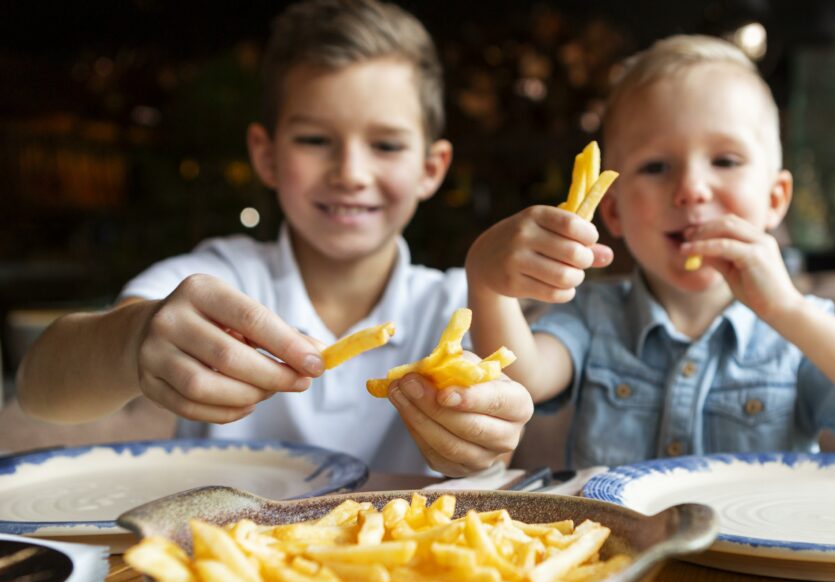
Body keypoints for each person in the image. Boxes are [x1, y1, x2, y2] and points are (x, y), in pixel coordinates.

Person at [16, 0, 533, 476]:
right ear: (266, 155)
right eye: (314, 140)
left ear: (430, 167)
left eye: (385, 144)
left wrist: (488, 436)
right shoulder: (220, 280)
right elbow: (39, 387)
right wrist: (132, 341)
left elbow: (509, 436)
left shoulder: (460, 305)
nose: (350, 172)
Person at [466, 34, 835, 469]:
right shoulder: (594, 319)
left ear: (775, 200)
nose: (692, 190)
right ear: (613, 213)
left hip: (758, 577)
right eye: (657, 167)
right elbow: (521, 382)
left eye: (725, 160)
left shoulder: (796, 334)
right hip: (628, 571)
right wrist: (487, 283)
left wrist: (788, 310)